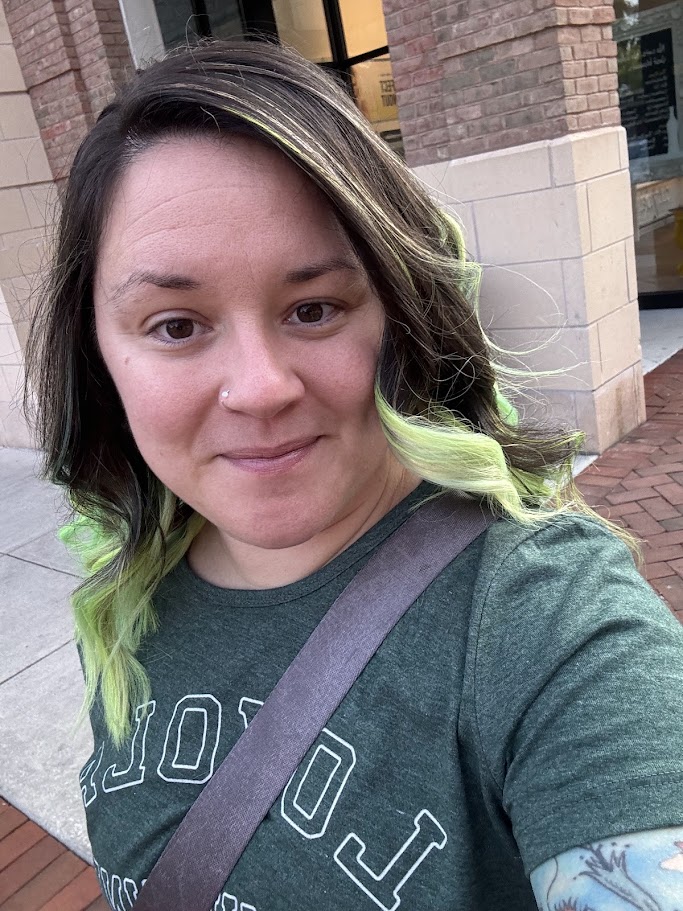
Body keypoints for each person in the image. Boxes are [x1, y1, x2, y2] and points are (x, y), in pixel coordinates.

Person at [26, 39, 683, 911]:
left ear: (400, 319)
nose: (261, 388)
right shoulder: (128, 593)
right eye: (177, 324)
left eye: (314, 308)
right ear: (98, 354)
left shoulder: (539, 618)